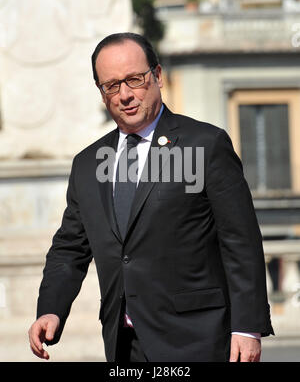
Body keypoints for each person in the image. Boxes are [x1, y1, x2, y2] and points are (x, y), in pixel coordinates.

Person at [28, 32, 274, 362]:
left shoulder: (205, 145)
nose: (125, 95)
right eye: (111, 85)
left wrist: (247, 327)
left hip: (198, 340)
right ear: (102, 94)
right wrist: (51, 309)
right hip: (123, 344)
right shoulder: (87, 164)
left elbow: (239, 241)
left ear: (157, 76)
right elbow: (70, 246)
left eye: (134, 79)